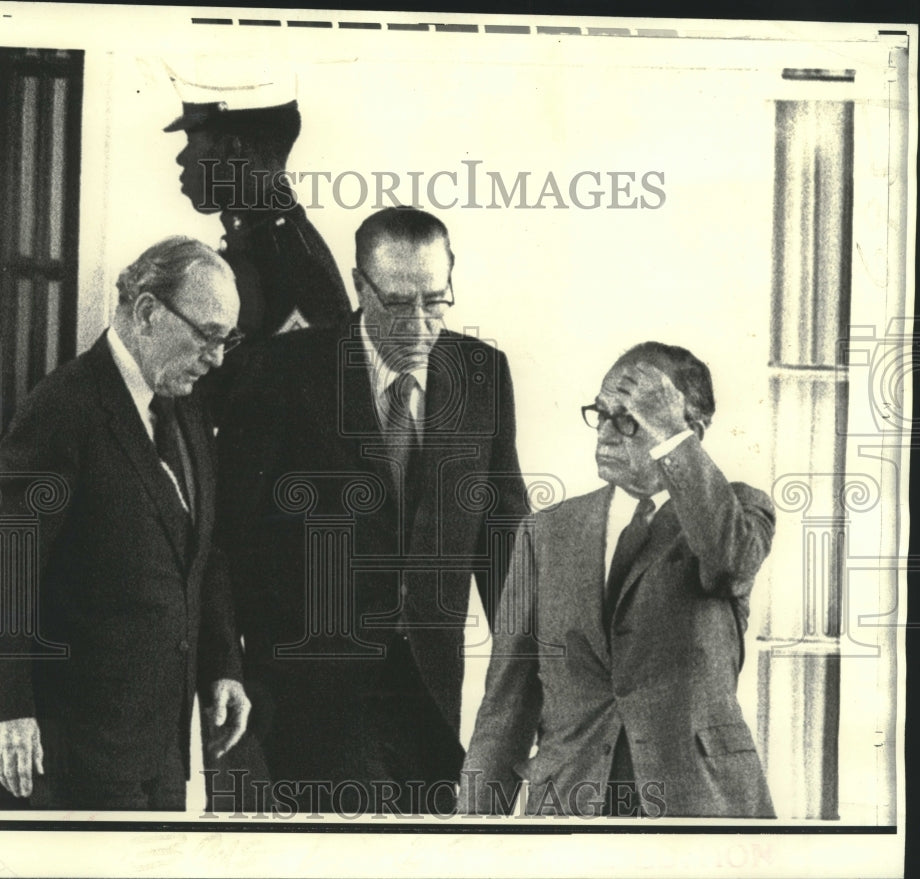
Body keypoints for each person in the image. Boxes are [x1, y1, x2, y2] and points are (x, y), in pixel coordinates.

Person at [215, 207, 528, 814]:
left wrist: (533, 678)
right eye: (398, 303)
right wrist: (227, 666)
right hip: (310, 689)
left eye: (435, 301)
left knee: (429, 850)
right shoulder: (282, 371)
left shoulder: (483, 374)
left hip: (431, 688)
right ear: (360, 285)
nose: (419, 326)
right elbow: (228, 539)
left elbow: (503, 542)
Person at [0, 237, 252, 810]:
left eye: (227, 339)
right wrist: (5, 709)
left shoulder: (188, 409)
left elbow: (203, 551)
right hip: (77, 748)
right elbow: (0, 563)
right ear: (147, 312)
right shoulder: (63, 407)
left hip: (161, 749)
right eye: (208, 335)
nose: (217, 358)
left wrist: (222, 666)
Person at [458, 342, 776, 818]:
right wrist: (471, 827)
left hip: (699, 807)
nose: (606, 434)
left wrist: (673, 439)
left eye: (628, 420)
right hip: (569, 805)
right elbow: (507, 704)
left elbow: (730, 560)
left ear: (689, 431)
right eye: (601, 415)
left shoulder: (737, 513)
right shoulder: (546, 531)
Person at [165, 71, 351, 418]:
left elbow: (289, 411)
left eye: (193, 141)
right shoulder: (258, 245)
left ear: (232, 149)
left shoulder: (290, 264)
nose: (181, 158)